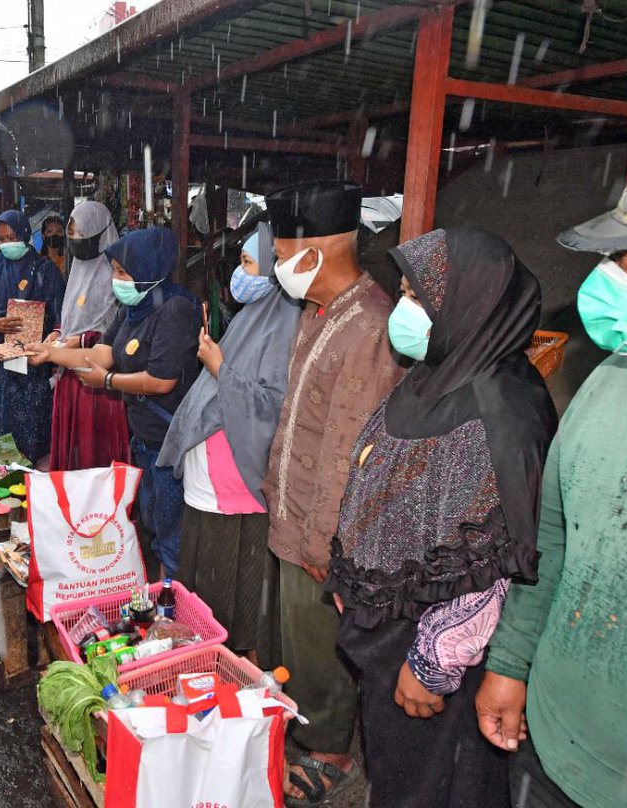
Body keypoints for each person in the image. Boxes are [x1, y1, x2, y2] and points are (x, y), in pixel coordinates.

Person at [477, 141, 627, 808]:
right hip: (551, 749)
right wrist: (512, 664)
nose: (605, 281)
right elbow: (554, 537)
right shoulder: (608, 383)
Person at [325, 226, 557, 808]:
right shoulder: (437, 375)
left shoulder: (502, 410)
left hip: (431, 654)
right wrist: (352, 581)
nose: (403, 310)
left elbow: (496, 561)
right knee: (399, 773)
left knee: (437, 785)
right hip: (389, 631)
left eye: (416, 298)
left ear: (467, 304)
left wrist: (433, 664)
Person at [259, 180, 404, 805]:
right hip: (292, 516)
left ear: (316, 251)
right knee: (295, 638)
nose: (277, 264)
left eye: (284, 249)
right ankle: (302, 723)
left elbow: (351, 452)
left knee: (322, 646)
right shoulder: (318, 312)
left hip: (325, 531)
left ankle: (330, 751)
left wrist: (325, 541)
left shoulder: (369, 323)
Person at [158, 222, 301, 657]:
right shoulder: (252, 317)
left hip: (237, 485)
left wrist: (219, 366)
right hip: (213, 482)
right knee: (203, 575)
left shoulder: (285, 324)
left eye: (247, 262)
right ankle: (203, 655)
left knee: (227, 585)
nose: (239, 273)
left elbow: (272, 406)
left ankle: (221, 663)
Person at [31, 227, 200, 577]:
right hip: (143, 434)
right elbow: (102, 354)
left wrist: (107, 382)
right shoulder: (131, 308)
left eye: (123, 272)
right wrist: (51, 353)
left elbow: (161, 380)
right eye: (114, 271)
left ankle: (172, 599)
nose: (115, 279)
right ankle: (158, 587)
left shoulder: (176, 310)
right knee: (151, 517)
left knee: (171, 529)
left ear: (148, 268)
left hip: (170, 439)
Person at [44, 201, 128, 471]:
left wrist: (81, 341)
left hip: (99, 381)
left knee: (94, 450)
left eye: (82, 234)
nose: (76, 241)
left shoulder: (118, 272)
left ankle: (99, 510)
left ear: (99, 233)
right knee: (72, 452)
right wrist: (58, 331)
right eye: (72, 236)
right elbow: (71, 312)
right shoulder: (79, 267)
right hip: (70, 373)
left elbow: (121, 329)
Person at [0, 210, 65, 464]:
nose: (7, 243)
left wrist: (50, 336)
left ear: (26, 235)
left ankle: (30, 488)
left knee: (32, 433)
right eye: (2, 238)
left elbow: (60, 316)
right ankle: (0, 485)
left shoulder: (46, 270)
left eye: (12, 236)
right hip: (1, 367)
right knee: (0, 431)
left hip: (33, 368)